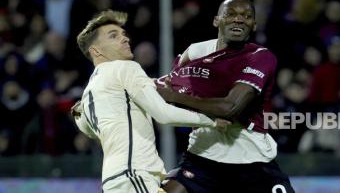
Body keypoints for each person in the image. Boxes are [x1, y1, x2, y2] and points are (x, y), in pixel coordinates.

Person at [72, 10, 229, 193]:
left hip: (114, 181)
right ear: (96, 51)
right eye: (113, 36)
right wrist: (210, 121)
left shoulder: (90, 91)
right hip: (135, 175)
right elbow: (163, 114)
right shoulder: (125, 68)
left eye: (123, 34)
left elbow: (88, 128)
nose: (125, 39)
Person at [156, 0, 295, 193]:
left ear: (254, 25)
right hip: (202, 157)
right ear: (216, 20)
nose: (239, 19)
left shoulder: (260, 57)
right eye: (230, 14)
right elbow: (171, 85)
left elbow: (230, 108)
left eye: (246, 16)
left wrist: (175, 97)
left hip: (252, 161)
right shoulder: (195, 52)